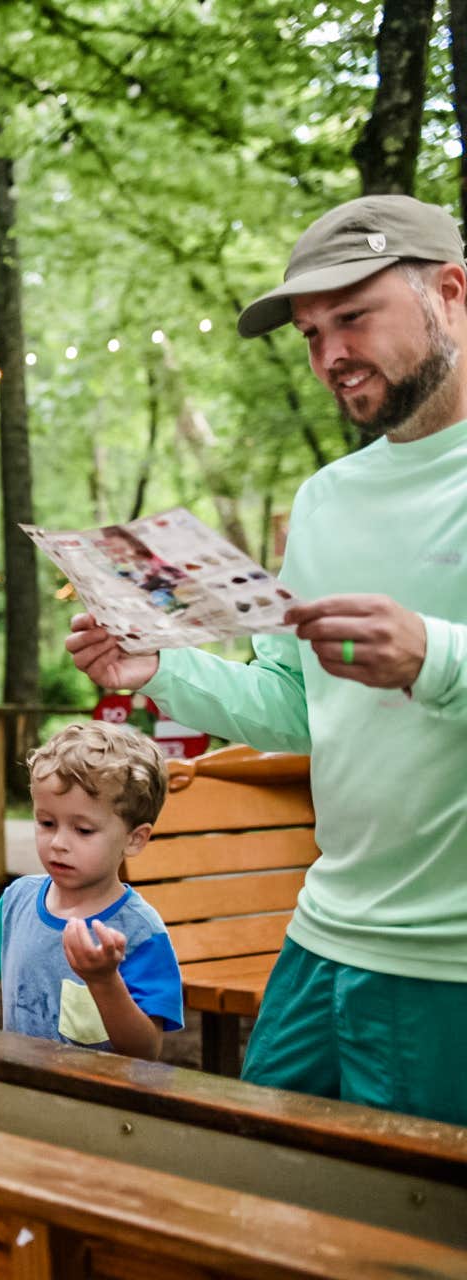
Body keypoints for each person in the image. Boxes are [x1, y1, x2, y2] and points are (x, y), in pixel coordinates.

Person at [66, 193, 467, 1123]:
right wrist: (159, 670)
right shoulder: (328, 499)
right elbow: (296, 706)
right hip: (328, 932)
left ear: (450, 290)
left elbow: (432, 661)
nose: (331, 355)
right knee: (262, 1200)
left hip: (447, 960)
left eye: (353, 317)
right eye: (310, 333)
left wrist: (435, 656)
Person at [0, 721, 183, 1060]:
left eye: (83, 830)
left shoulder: (141, 930)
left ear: (134, 838)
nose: (58, 843)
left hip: (98, 1108)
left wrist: (103, 981)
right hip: (24, 1092)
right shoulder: (20, 899)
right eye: (46, 823)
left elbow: (145, 1050)